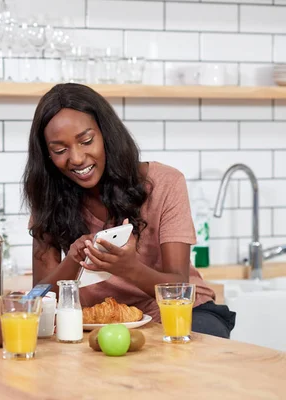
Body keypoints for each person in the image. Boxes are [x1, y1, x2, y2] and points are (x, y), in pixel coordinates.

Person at [23, 83, 236, 338]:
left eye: (87, 141)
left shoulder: (165, 182)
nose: (77, 158)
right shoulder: (49, 195)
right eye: (60, 150)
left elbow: (178, 288)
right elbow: (39, 297)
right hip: (100, 326)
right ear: (46, 155)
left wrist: (128, 268)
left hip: (177, 317)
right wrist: (72, 261)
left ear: (106, 135)